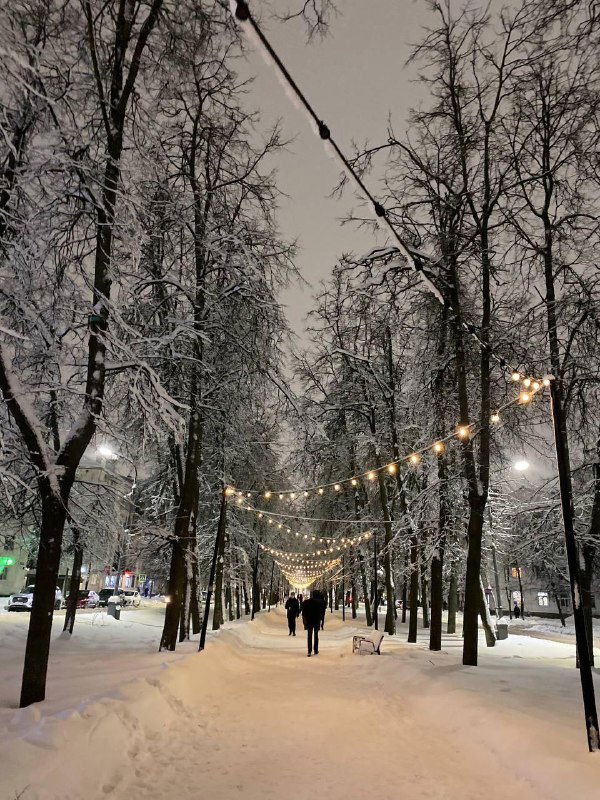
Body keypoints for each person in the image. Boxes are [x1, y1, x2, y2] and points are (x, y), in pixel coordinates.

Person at [302, 589, 326, 657]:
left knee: (309, 636)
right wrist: (321, 619)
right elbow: (322, 612)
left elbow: (304, 612)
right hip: (316, 621)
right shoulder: (320, 603)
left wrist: (305, 621)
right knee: (316, 635)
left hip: (309, 621)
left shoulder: (307, 602)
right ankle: (316, 649)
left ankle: (309, 651)